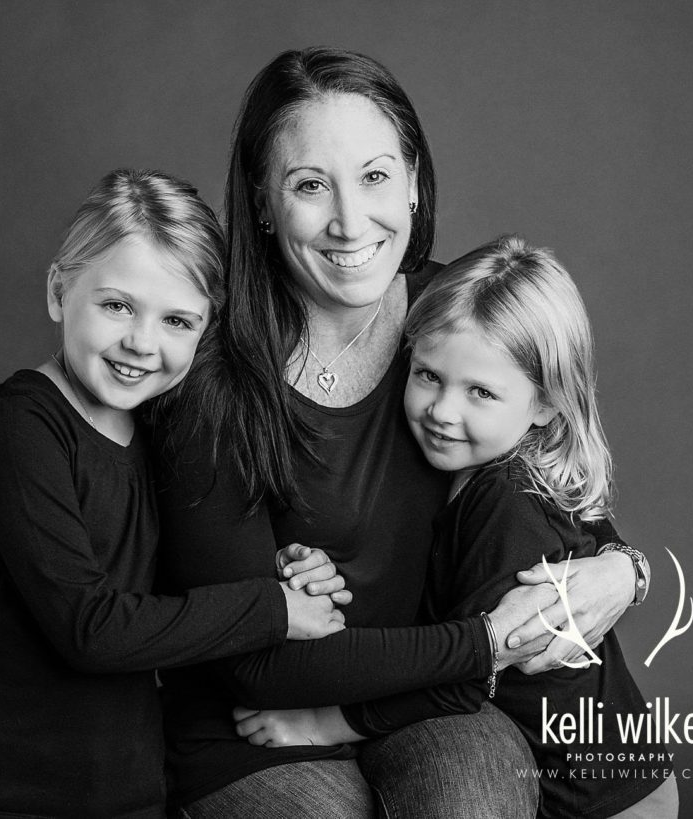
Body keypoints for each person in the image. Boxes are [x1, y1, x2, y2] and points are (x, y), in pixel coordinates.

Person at [153, 48, 645, 817]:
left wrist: (626, 567)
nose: (352, 222)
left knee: (472, 799)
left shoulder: (454, 315)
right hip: (249, 725)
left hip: (422, 702)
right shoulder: (211, 382)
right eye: (310, 185)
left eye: (376, 176)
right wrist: (485, 642)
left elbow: (551, 475)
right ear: (261, 200)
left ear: (414, 179)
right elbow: (258, 668)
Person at [0, 169, 349, 819]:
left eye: (177, 319)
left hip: (130, 796)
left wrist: (281, 571)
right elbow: (90, 627)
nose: (142, 343)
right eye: (117, 305)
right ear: (59, 291)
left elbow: (177, 596)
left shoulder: (160, 429)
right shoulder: (19, 425)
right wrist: (272, 608)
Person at [233, 236, 678, 818]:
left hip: (605, 801)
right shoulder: (474, 467)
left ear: (545, 404)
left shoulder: (508, 505)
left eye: (482, 393)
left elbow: (468, 674)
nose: (444, 411)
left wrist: (325, 722)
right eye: (427, 376)